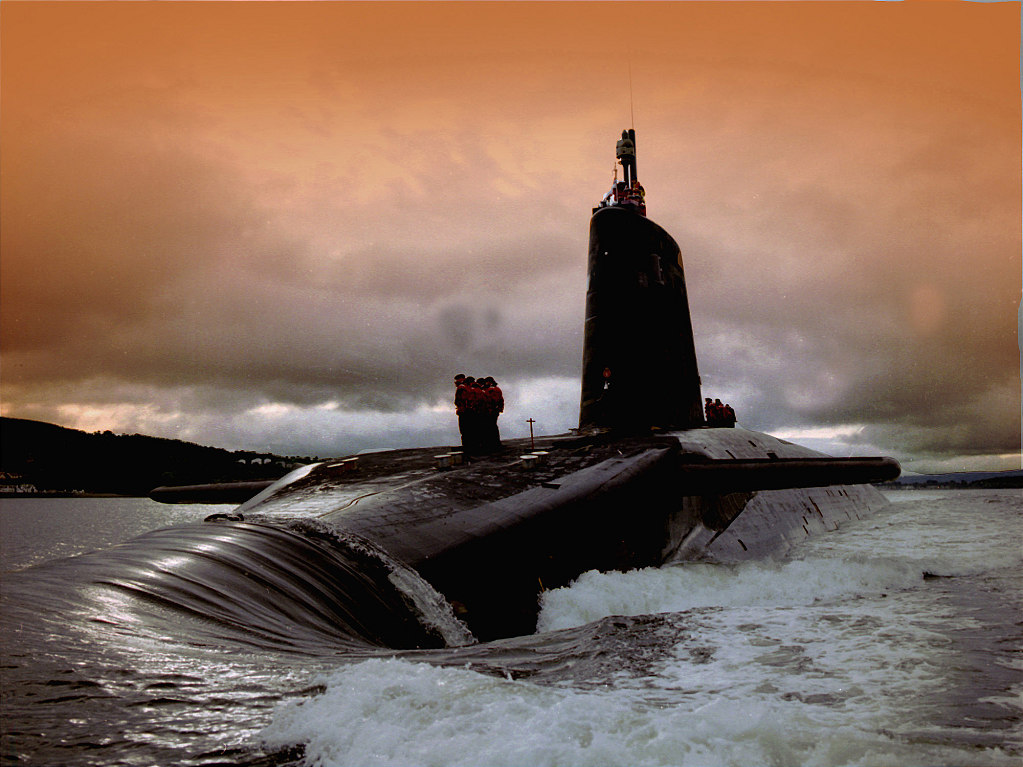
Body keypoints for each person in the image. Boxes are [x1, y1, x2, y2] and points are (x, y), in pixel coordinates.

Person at [483, 376, 504, 450]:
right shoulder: (498, 389)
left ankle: (493, 443)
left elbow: (490, 400)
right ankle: (496, 442)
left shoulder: (491, 390)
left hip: (491, 410)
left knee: (491, 426)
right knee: (493, 426)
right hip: (495, 410)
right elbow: (501, 400)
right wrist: (500, 409)